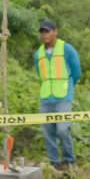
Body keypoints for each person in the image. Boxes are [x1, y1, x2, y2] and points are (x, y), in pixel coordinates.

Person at [35, 20, 82, 169]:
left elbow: (76, 72)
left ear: (55, 32)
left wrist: (68, 86)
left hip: (63, 97)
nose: (45, 35)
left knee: (62, 130)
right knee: (48, 132)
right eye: (42, 32)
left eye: (47, 31)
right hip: (46, 98)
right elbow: (40, 74)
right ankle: (54, 163)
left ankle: (69, 160)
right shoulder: (38, 53)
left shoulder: (67, 49)